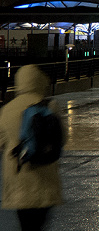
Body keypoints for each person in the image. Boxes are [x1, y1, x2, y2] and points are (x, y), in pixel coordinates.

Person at [0, 65, 64, 231]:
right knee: (39, 223)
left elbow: (0, 141)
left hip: (18, 174)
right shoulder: (50, 106)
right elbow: (62, 138)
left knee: (25, 224)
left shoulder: (7, 109)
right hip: (45, 175)